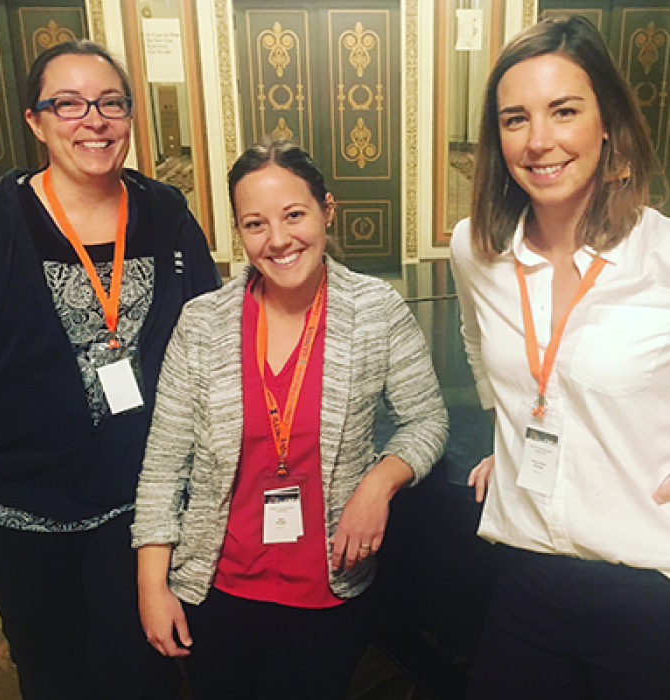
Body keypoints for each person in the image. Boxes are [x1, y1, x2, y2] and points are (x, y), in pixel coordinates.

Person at [132, 139, 449, 700]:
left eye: (294, 215)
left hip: (326, 592)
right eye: (255, 224)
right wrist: (151, 586)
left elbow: (425, 419)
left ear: (327, 209)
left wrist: (379, 482)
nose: (277, 240)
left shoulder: (376, 310)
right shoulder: (203, 322)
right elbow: (162, 465)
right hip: (218, 587)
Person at [0, 40, 220, 700]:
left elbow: (208, 336)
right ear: (36, 121)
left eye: (111, 102)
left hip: (134, 506)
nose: (94, 120)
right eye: (69, 104)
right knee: (52, 670)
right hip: (17, 509)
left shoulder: (164, 212)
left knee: (142, 669)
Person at [450, 14, 670, 700]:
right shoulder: (475, 249)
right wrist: (509, 428)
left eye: (564, 111)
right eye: (515, 119)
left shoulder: (661, 256)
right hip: (527, 571)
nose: (539, 140)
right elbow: (477, 344)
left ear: (607, 123)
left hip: (648, 582)